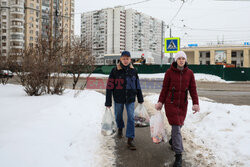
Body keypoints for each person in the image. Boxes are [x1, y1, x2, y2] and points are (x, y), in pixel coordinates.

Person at [155, 51, 200, 167]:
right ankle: (178, 155)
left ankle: (172, 141)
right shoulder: (169, 72)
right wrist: (160, 102)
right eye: (179, 58)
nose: (181, 60)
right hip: (171, 104)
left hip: (183, 105)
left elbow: (193, 89)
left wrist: (196, 103)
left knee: (179, 126)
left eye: (183, 59)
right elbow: (164, 89)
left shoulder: (189, 73)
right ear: (175, 60)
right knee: (176, 126)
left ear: (185, 60)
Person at [105, 51, 144, 150]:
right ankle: (120, 128)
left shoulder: (133, 71)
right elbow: (109, 87)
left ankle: (130, 139)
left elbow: (137, 85)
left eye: (127, 58)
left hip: (130, 99)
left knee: (131, 117)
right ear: (120, 60)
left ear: (130, 60)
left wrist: (140, 98)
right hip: (118, 98)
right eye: (123, 58)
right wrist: (108, 102)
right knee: (118, 116)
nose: (125, 60)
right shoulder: (114, 71)